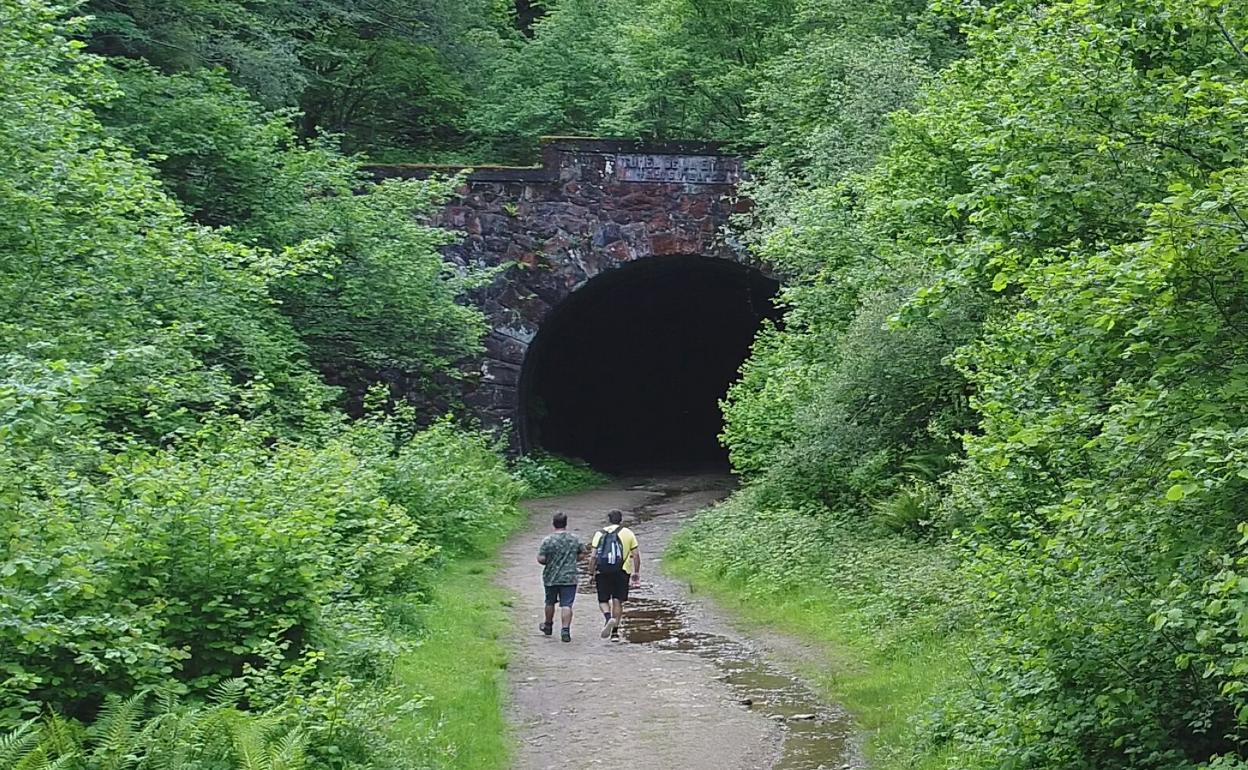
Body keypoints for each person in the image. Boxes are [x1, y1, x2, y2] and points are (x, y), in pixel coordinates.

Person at [589, 509, 640, 640]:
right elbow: (636, 555)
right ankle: (615, 633)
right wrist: (636, 572)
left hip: (603, 570)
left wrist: (591, 573)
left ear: (609, 519)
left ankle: (607, 618)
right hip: (622, 571)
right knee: (617, 600)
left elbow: (593, 556)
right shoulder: (628, 533)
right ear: (621, 519)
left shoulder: (599, 533)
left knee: (603, 600)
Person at [537, 512, 588, 642]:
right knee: (567, 604)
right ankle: (565, 630)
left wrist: (548, 560)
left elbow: (541, 559)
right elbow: (583, 554)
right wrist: (572, 559)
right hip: (569, 577)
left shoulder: (548, 540)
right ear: (565, 523)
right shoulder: (574, 539)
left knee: (549, 602)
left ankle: (548, 625)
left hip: (551, 577)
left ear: (554, 524)